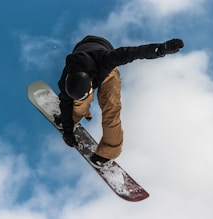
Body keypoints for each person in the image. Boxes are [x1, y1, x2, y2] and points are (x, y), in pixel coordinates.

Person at [57, 35, 184, 168]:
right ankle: (73, 116)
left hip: (106, 66)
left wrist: (162, 49)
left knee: (111, 107)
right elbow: (65, 101)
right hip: (82, 56)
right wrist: (67, 130)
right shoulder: (66, 78)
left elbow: (135, 52)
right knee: (75, 102)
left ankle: (108, 152)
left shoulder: (107, 59)